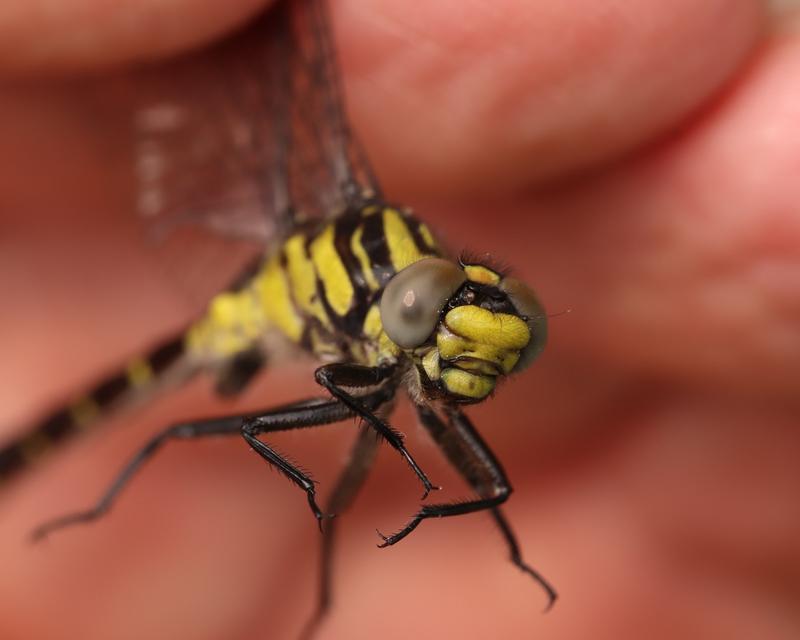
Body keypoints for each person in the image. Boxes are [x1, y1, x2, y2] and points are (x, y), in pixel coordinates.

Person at [1, 1, 797, 638]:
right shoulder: (365, 334)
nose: (467, 341)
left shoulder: (399, 335)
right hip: (242, 314)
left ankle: (323, 608)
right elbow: (329, 378)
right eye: (434, 319)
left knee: (382, 470)